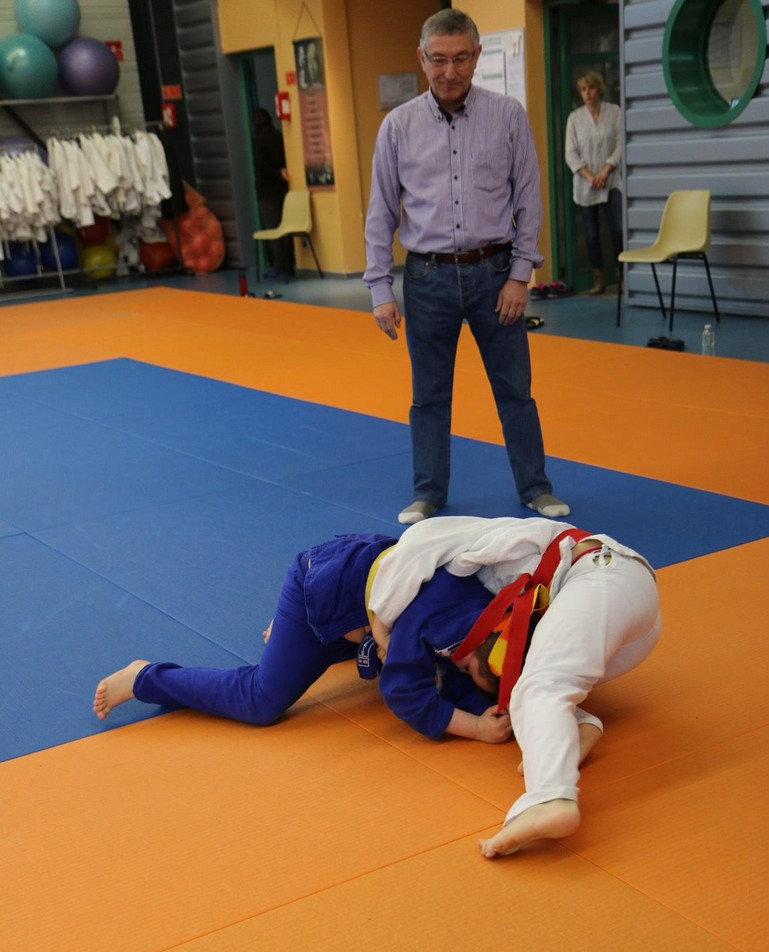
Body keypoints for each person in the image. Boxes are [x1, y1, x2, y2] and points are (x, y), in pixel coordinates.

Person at [363, 9, 568, 527]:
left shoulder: (508, 117)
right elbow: (380, 211)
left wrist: (520, 274)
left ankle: (536, 489)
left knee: (515, 391)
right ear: (421, 58)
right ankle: (428, 493)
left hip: (496, 276)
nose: (449, 71)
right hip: (427, 279)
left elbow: (529, 200)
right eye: (438, 60)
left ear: (476, 56)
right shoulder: (397, 127)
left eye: (460, 59)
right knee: (428, 396)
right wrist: (380, 289)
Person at [368, 516, 661, 858]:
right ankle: (577, 727)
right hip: (630, 619)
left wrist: (381, 625)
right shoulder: (483, 584)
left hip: (603, 577)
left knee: (541, 686)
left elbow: (410, 550)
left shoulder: (441, 543)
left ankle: (550, 798)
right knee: (528, 685)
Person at [93, 533, 512, 746]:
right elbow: (405, 694)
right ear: (468, 647)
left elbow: (465, 674)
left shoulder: (492, 612)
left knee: (433, 670)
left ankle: (291, 629)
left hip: (362, 575)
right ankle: (145, 677)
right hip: (323, 588)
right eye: (465, 665)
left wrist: (490, 709)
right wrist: (475, 726)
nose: (459, 667)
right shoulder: (438, 627)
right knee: (261, 700)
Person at [564, 71, 623, 296]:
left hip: (611, 180)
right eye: (583, 89)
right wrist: (589, 176)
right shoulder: (575, 118)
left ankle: (622, 275)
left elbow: (620, 144)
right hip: (585, 184)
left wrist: (606, 169)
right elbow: (570, 153)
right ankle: (598, 277)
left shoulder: (614, 112)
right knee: (591, 234)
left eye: (591, 88)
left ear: (599, 89)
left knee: (617, 230)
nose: (587, 93)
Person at [252, 107, 295, 279]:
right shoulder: (279, 137)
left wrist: (275, 173)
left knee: (273, 228)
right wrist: (281, 173)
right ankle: (289, 262)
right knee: (286, 228)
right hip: (282, 189)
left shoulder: (257, 141)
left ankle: (278, 265)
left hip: (267, 191)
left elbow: (261, 165)